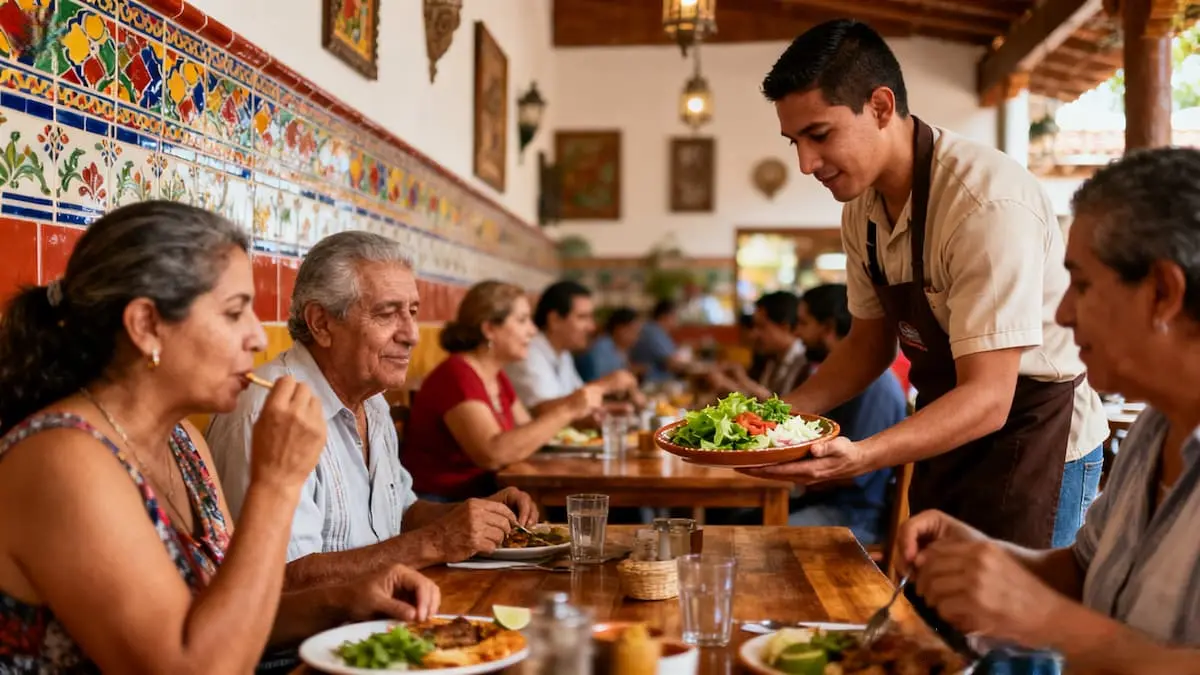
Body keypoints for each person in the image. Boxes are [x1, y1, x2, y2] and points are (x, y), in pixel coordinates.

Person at [0, 202, 439, 672]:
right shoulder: (62, 459)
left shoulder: (184, 442)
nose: (256, 337)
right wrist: (277, 484)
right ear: (147, 326)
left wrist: (343, 601)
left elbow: (221, 617)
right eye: (235, 313)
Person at [748, 19, 1108, 549]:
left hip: (1037, 440)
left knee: (1012, 628)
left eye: (819, 135)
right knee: (935, 620)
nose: (805, 164)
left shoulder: (984, 203)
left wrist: (862, 454)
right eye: (794, 141)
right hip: (947, 430)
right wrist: (774, 428)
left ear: (881, 107)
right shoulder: (862, 208)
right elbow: (868, 344)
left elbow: (989, 397)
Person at [900, 148, 1200, 673]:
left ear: (1162, 293)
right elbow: (1088, 572)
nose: (1061, 313)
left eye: (1081, 285)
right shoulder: (1155, 429)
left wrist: (1051, 622)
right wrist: (987, 560)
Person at [207, 232, 541, 590]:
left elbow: (403, 512)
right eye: (387, 314)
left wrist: (483, 515)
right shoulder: (270, 410)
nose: (411, 334)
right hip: (308, 642)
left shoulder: (373, 400)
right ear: (321, 323)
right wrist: (438, 541)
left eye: (413, 312)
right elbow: (283, 581)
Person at [403, 281, 605, 501]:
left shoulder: (495, 375)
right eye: (522, 320)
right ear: (489, 328)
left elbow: (528, 432)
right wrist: (569, 408)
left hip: (485, 497)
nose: (533, 330)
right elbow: (492, 454)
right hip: (445, 506)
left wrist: (579, 417)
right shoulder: (456, 375)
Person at [789, 284, 907, 544]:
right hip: (823, 502)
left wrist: (788, 471)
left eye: (803, 323)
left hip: (855, 516)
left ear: (829, 328)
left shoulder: (875, 385)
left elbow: (854, 475)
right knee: (737, 519)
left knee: (755, 531)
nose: (796, 332)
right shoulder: (834, 379)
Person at [505, 280, 641, 418]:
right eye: (582, 317)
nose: (592, 327)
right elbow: (542, 412)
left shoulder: (563, 353)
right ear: (554, 320)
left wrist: (619, 405)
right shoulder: (528, 352)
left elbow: (578, 402)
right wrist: (603, 386)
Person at [708, 291, 808, 399]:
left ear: (784, 327)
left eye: (761, 327)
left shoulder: (805, 362)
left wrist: (742, 382)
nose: (753, 334)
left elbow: (785, 408)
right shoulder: (773, 357)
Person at [630, 299, 691, 384]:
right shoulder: (653, 332)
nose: (677, 320)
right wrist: (693, 365)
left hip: (656, 381)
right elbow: (671, 364)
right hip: (654, 383)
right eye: (675, 316)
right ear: (666, 316)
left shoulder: (656, 331)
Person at [575, 307, 642, 383]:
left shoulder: (619, 348)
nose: (637, 336)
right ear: (619, 329)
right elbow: (602, 380)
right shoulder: (601, 349)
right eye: (634, 331)